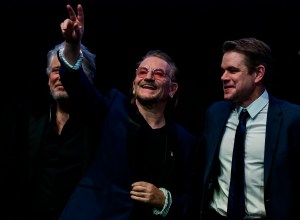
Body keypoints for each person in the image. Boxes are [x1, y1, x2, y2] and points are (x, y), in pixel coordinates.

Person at [55, 4, 200, 220]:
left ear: (172, 89)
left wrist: (165, 200)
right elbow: (76, 84)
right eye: (143, 72)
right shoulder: (111, 108)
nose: (149, 77)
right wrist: (73, 45)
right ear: (134, 84)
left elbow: (194, 202)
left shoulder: (187, 142)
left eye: (158, 73)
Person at [198, 37, 300, 220]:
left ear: (258, 74)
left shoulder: (292, 118)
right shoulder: (215, 113)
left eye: (232, 71)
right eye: (223, 71)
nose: (223, 77)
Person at [24, 40, 101, 220]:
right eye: (56, 70)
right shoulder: (30, 122)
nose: (61, 77)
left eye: (68, 71)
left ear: (86, 79)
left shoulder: (100, 122)